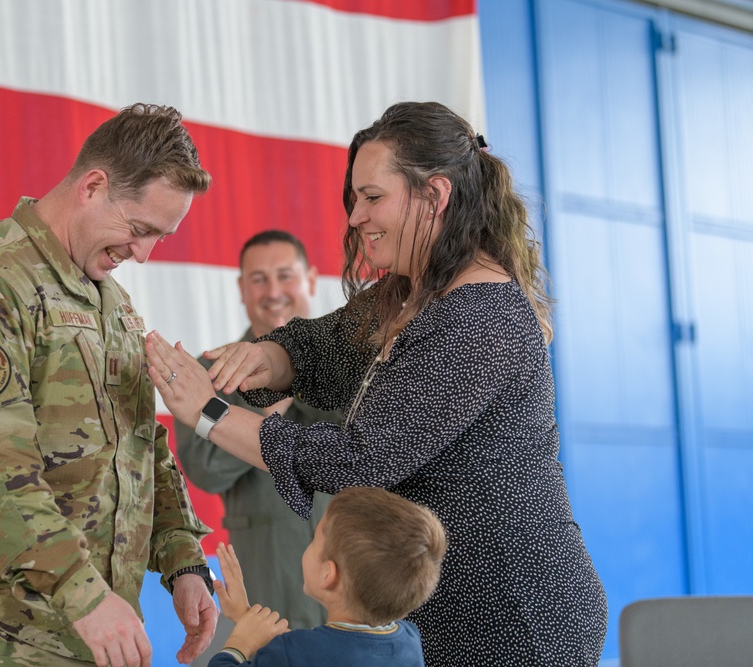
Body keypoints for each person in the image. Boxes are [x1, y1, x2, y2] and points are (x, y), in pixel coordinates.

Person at [145, 101, 608, 666]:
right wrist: (264, 356)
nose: (356, 217)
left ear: (435, 195)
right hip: (435, 609)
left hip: (513, 614)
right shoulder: (413, 294)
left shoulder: (478, 316)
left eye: (372, 198)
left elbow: (360, 459)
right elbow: (324, 345)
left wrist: (209, 412)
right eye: (354, 200)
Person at [0, 103, 218, 667]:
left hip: (96, 630)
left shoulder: (110, 299)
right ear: (93, 186)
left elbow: (139, 442)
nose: (142, 254)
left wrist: (183, 558)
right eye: (139, 229)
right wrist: (83, 593)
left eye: (159, 238)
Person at [174, 230, 341, 637]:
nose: (273, 292)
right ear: (242, 289)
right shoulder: (210, 373)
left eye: (285, 276)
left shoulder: (348, 366)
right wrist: (269, 412)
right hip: (267, 583)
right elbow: (205, 470)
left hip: (356, 582)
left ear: (311, 281)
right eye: (259, 279)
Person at [208, 486, 446, 666]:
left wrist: (239, 644)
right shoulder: (409, 640)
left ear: (327, 575)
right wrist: (244, 615)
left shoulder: (291, 652)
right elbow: (325, 652)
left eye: (315, 538)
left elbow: (301, 654)